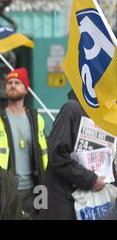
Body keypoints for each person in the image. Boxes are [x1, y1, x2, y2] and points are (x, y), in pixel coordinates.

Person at [38, 90, 109, 220]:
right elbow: (57, 155)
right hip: (63, 201)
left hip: (91, 202)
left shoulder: (107, 117)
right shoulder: (72, 109)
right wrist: (91, 179)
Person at [0, 68, 48, 217]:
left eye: (17, 82)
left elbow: (44, 155)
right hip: (4, 188)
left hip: (35, 190)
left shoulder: (37, 119)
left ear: (26, 89)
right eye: (9, 82)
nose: (13, 85)